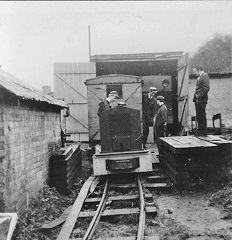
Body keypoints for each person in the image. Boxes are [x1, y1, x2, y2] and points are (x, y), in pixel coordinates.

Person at [193, 66, 210, 136]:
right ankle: (200, 132)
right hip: (198, 99)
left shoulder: (204, 76)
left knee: (201, 115)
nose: (194, 73)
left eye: (195, 71)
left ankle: (203, 132)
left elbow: (206, 88)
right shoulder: (200, 77)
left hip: (201, 99)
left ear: (199, 70)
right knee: (199, 116)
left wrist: (199, 96)